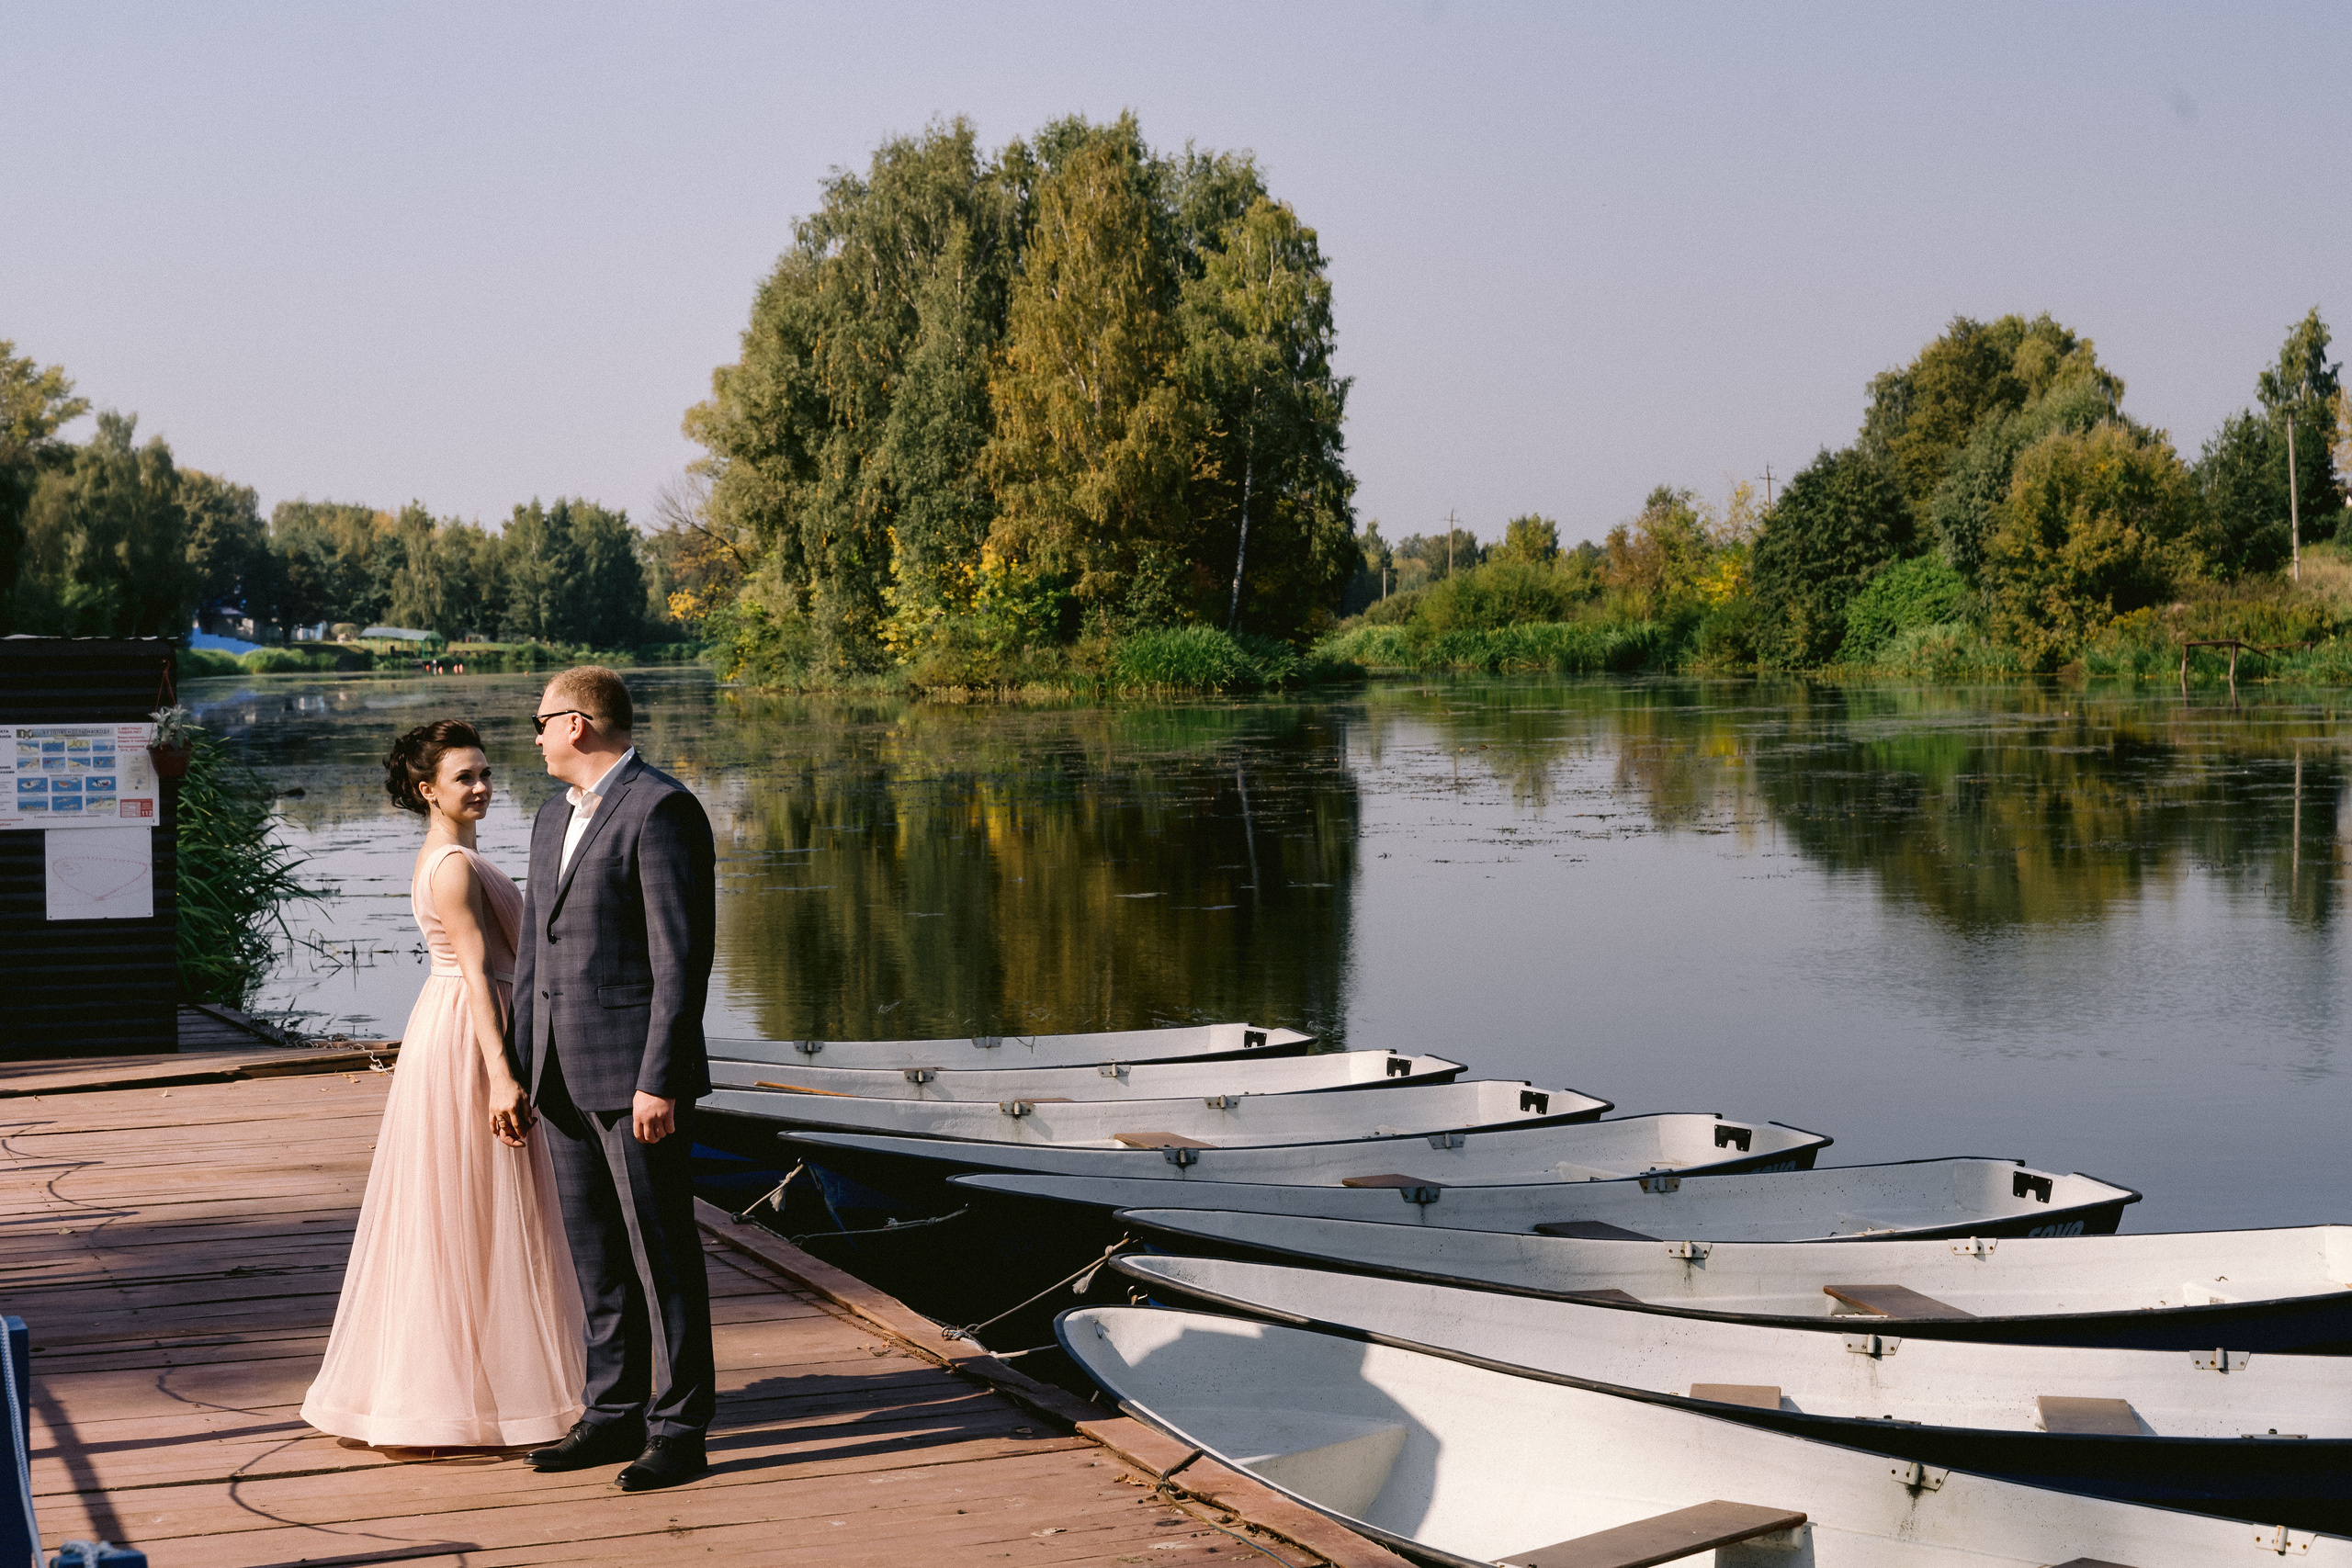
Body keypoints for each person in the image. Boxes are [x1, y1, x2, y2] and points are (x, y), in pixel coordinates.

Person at [300, 721, 586, 1448]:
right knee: (477, 1205)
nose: (483, 785)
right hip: (468, 1034)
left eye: (486, 772)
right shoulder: (453, 865)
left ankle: (482, 1385)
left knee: (471, 1207)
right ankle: (466, 1395)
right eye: (466, 777)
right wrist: (502, 1077)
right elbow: (478, 976)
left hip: (456, 1021)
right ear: (429, 790)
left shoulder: (450, 855)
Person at [512, 667, 718, 1493]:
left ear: (579, 724)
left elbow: (682, 960)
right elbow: (535, 955)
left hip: (634, 1079)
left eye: (541, 721)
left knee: (662, 1250)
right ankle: (611, 1413)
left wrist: (659, 1078)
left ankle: (679, 1428)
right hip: (558, 1073)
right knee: (594, 1253)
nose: (532, 737)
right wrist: (522, 1071)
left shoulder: (663, 809)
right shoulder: (549, 815)